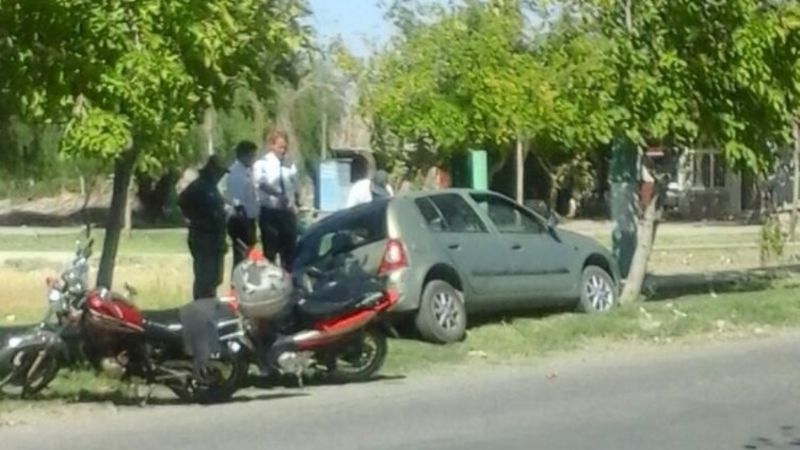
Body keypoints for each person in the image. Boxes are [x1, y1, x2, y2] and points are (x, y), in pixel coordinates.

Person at [178, 155, 229, 300]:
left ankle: (209, 302)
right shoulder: (200, 186)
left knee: (214, 278)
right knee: (204, 278)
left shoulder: (212, 187)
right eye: (219, 172)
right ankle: (202, 305)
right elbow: (182, 201)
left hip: (215, 239)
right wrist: (196, 219)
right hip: (204, 238)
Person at [253, 129, 299, 271]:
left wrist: (296, 202)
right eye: (280, 147)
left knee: (289, 253)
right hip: (271, 213)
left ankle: (289, 283)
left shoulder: (289, 165)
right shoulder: (262, 164)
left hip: (288, 213)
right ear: (271, 146)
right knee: (270, 253)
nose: (283, 150)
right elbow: (260, 184)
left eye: (285, 147)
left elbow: (295, 186)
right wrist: (277, 195)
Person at [221, 140, 259, 272]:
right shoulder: (236, 174)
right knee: (241, 258)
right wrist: (246, 225)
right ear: (243, 155)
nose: (253, 159)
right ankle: (236, 288)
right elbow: (237, 202)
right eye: (251, 156)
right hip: (240, 220)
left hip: (248, 218)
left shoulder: (247, 172)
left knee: (248, 258)